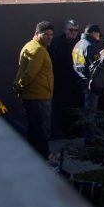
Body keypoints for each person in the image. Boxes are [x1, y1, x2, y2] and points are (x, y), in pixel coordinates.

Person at [13, 21, 55, 159]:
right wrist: (19, 86)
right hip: (38, 97)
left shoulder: (30, 46)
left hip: (34, 96)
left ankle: (35, 158)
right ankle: (43, 160)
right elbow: (29, 74)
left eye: (51, 35)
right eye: (46, 34)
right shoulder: (38, 50)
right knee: (41, 133)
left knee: (35, 130)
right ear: (37, 33)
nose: (49, 37)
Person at [48, 19, 81, 136]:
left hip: (76, 82)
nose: (73, 33)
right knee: (62, 108)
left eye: (76, 30)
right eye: (71, 30)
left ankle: (75, 133)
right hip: (61, 82)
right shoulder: (56, 42)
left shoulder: (80, 42)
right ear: (65, 30)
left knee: (77, 108)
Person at [73, 24, 103, 109]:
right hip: (89, 85)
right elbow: (96, 66)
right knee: (90, 114)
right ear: (93, 33)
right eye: (98, 35)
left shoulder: (77, 44)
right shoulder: (90, 46)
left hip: (79, 81)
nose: (99, 37)